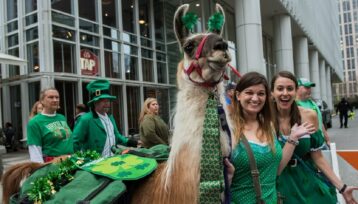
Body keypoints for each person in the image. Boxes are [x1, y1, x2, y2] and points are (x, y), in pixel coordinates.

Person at [271, 71, 358, 204]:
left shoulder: (309, 115)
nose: (285, 93)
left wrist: (342, 187)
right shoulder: (264, 119)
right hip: (276, 184)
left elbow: (317, 157)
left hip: (306, 182)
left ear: (295, 92)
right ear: (272, 92)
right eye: (280, 88)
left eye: (290, 88)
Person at [229, 72, 314, 203]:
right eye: (249, 93)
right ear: (238, 95)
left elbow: (276, 170)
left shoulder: (268, 125)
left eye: (261, 94)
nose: (255, 98)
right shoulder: (229, 129)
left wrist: (292, 138)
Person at [72, 79, 138, 157]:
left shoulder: (110, 117)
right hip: (95, 164)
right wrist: (79, 159)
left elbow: (117, 136)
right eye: (103, 101)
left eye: (108, 100)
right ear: (95, 102)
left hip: (112, 160)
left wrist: (132, 142)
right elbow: (74, 142)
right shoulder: (86, 119)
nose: (107, 103)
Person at [27, 88, 73, 163]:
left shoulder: (61, 117)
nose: (55, 100)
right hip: (53, 166)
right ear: (42, 101)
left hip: (70, 161)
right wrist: (40, 170)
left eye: (57, 97)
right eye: (51, 97)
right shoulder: (34, 122)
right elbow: (35, 150)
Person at [296, 78, 331, 147]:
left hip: (320, 142)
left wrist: (327, 139)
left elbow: (320, 122)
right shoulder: (295, 105)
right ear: (297, 88)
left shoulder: (312, 103)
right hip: (308, 146)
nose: (309, 90)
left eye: (310, 87)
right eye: (306, 87)